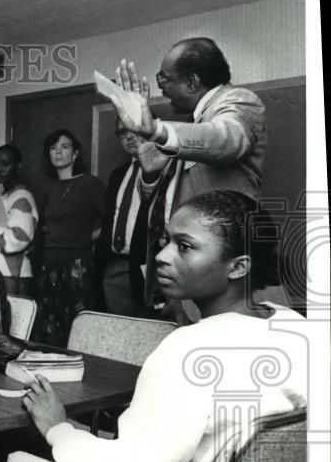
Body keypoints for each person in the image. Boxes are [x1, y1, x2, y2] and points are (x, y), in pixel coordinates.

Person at [0, 190, 307, 462]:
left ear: (238, 266)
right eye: (167, 242)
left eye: (185, 247)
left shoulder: (189, 349)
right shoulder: (297, 327)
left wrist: (58, 429)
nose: (161, 256)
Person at [110, 38, 266, 309]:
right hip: (183, 267)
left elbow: (227, 138)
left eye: (164, 78)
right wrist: (150, 174)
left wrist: (156, 129)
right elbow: (166, 197)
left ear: (192, 82)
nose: (161, 88)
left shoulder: (237, 100)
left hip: (216, 271)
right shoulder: (192, 121)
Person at [33, 129, 107, 347]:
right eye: (53, 148)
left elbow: (111, 224)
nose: (58, 152)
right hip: (49, 266)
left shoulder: (90, 184)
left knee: (78, 326)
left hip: (78, 265)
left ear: (75, 154)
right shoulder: (47, 188)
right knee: (49, 326)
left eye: (64, 147)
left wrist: (86, 238)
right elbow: (43, 227)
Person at [94, 119, 151, 317]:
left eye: (135, 130)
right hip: (115, 266)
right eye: (122, 132)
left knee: (150, 330)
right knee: (117, 331)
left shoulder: (166, 170)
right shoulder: (118, 175)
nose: (128, 136)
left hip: (148, 267)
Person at [0, 144, 39, 297]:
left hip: (14, 274)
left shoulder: (22, 197)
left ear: (18, 166)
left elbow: (19, 239)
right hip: (1, 270)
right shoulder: (4, 197)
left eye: (5, 164)